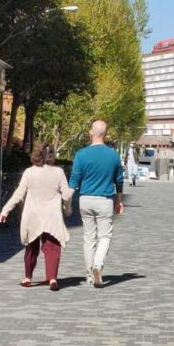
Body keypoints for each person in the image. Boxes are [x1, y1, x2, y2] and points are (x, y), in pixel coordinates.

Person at [0, 143, 73, 291]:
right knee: (52, 247)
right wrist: (68, 209)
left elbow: (18, 194)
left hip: (33, 214)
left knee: (31, 247)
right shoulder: (58, 172)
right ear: (52, 155)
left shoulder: (29, 172)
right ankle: (52, 278)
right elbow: (66, 194)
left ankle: (28, 277)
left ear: (36, 154)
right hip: (52, 215)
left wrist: (4, 211)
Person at [69, 120, 124, 288]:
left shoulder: (81, 154)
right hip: (105, 199)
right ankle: (98, 265)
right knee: (105, 236)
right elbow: (119, 180)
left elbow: (74, 180)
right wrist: (119, 201)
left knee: (88, 238)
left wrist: (68, 201)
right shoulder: (113, 155)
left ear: (91, 133)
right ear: (105, 134)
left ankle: (89, 275)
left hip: (85, 199)